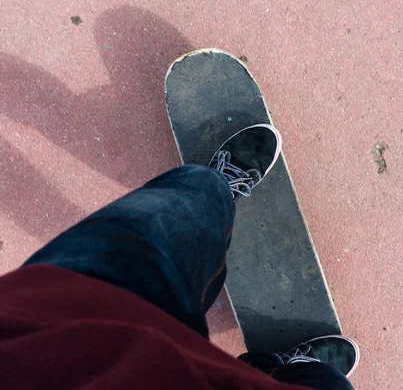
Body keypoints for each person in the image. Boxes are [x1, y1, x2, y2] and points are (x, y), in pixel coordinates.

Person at [0, 123, 359, 389]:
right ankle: (274, 370)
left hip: (62, 333)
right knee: (327, 386)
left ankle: (216, 191)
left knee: (166, 228)